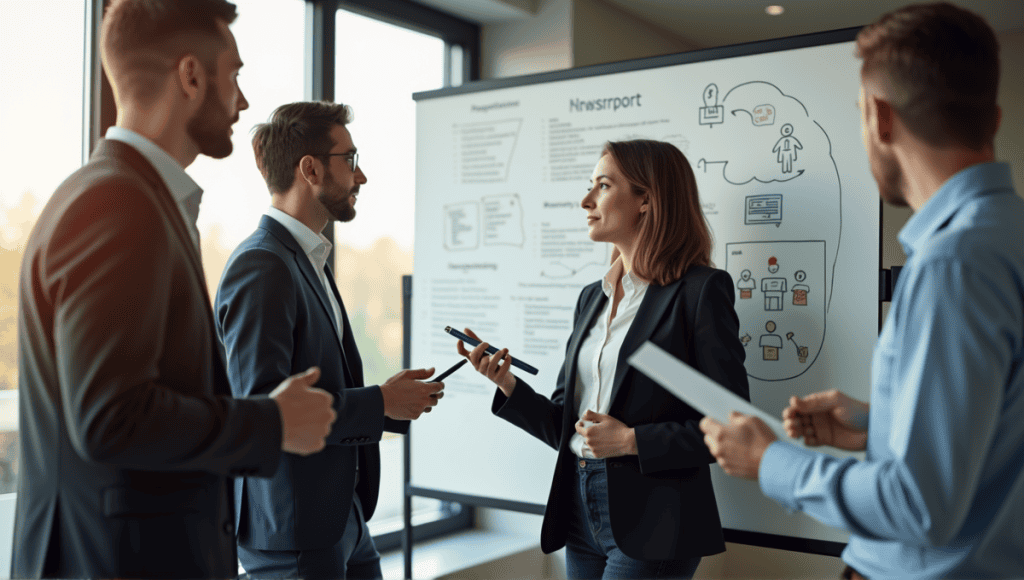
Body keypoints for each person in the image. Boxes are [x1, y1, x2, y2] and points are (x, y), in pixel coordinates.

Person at [12, 1, 338, 578]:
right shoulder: (114, 206)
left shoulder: (124, 197)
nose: (242, 101)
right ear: (190, 76)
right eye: (234, 76)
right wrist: (271, 422)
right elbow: (112, 418)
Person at [700, 3, 1024, 578]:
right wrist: (881, 424)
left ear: (878, 117)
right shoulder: (1007, 236)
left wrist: (770, 461)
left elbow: (920, 508)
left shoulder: (954, 264)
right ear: (993, 119)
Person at [459, 140, 750, 579]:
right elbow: (568, 424)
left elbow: (730, 426)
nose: (586, 200)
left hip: (655, 520)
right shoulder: (591, 299)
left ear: (647, 199)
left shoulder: (698, 293)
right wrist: (509, 387)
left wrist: (632, 441)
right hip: (578, 507)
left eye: (603, 185)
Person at [215, 101, 444, 579]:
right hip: (295, 533)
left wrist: (389, 401)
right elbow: (266, 410)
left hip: (343, 519)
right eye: (352, 161)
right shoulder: (262, 265)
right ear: (311, 169)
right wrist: (379, 402)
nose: (362, 178)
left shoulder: (308, 258)